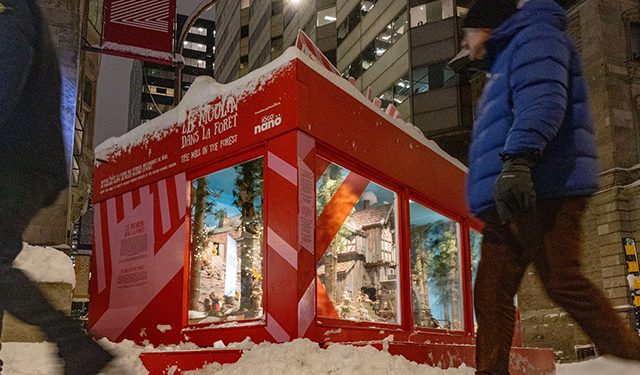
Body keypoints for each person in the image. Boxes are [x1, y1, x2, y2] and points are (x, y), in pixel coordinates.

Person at [461, 0, 640, 374]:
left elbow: (543, 100)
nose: (465, 43)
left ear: (488, 28)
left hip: (544, 186)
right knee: (490, 294)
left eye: (468, 32)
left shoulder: (535, 38)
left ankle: (630, 359)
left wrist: (519, 159)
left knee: (561, 280)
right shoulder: (504, 60)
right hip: (509, 197)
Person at [0, 1, 116, 374]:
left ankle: (75, 345)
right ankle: (75, 346)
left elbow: (8, 64)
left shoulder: (12, 8)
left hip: (17, 161)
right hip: (26, 162)